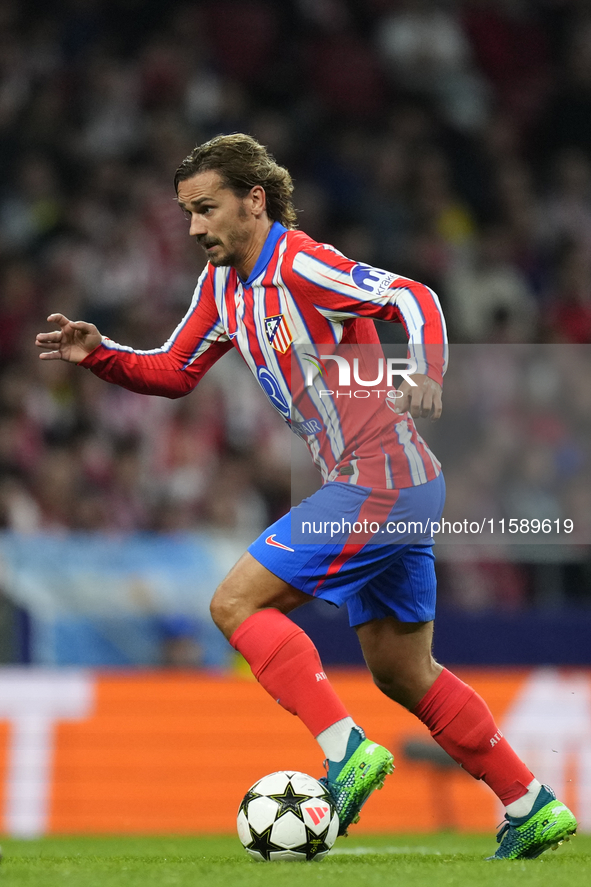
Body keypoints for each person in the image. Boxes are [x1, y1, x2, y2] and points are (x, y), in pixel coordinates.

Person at [35, 133, 576, 859]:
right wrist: (97, 353)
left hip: (378, 477)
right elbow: (173, 370)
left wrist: (426, 371)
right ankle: (528, 801)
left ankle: (344, 749)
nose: (195, 228)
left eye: (206, 209)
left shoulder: (302, 262)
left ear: (253, 201)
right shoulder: (222, 287)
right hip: (388, 483)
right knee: (402, 670)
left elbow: (411, 297)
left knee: (234, 603)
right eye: (187, 214)